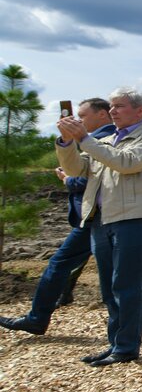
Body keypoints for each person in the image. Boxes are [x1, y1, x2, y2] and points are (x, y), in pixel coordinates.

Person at [55, 87, 142, 367]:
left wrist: (85, 139)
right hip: (101, 219)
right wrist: (67, 142)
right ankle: (116, 342)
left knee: (126, 284)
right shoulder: (108, 140)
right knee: (109, 287)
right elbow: (78, 169)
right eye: (112, 106)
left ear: (139, 111)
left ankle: (127, 346)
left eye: (119, 106)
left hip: (133, 219)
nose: (112, 111)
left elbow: (127, 163)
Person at [1, 99, 115, 336]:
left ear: (103, 115)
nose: (77, 121)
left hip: (97, 216)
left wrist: (67, 180)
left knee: (60, 264)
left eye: (82, 116)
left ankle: (37, 318)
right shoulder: (105, 137)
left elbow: (92, 179)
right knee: (125, 267)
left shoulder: (101, 140)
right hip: (102, 216)